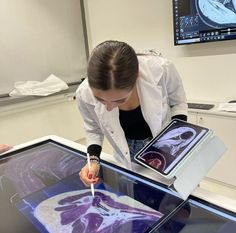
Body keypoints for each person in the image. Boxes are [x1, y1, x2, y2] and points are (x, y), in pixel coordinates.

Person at [76, 40, 188, 186]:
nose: (109, 108)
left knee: (179, 192)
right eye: (100, 100)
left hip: (168, 141)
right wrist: (93, 161)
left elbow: (178, 103)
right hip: (127, 151)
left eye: (119, 100)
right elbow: (93, 129)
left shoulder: (162, 69)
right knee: (140, 195)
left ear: (137, 77)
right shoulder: (84, 93)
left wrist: (176, 141)